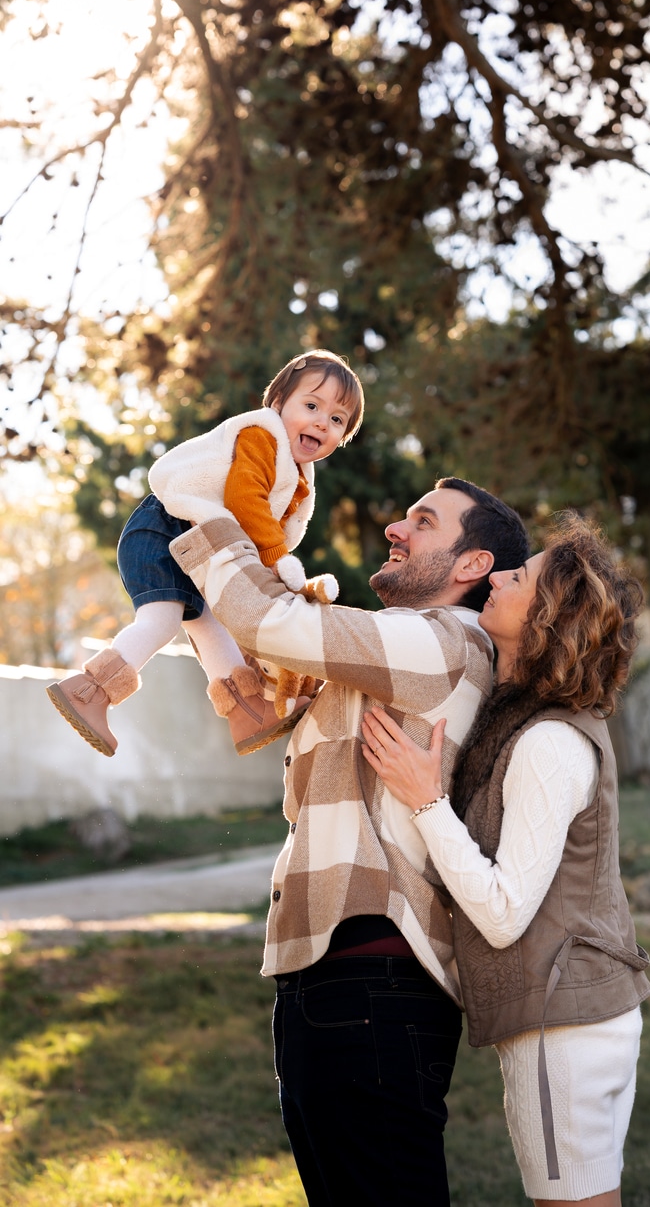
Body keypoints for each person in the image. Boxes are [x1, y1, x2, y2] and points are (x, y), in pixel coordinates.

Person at [166, 476, 530, 1207]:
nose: (396, 528)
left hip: (373, 986)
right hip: (328, 981)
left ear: (470, 566)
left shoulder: (444, 642)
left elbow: (269, 622)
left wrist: (199, 507)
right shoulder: (389, 655)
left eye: (423, 523)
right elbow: (269, 662)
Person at [361, 511, 650, 1206]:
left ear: (547, 616)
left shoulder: (549, 742)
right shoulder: (528, 718)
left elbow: (503, 913)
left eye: (519, 577)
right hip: (580, 1016)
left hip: (565, 1029)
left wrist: (424, 800)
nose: (499, 575)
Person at [46, 349, 364, 758]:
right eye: (311, 405)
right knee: (161, 620)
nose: (322, 421)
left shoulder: (299, 476)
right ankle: (89, 691)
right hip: (165, 529)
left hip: (197, 547)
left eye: (337, 420)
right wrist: (278, 562)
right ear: (279, 403)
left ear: (341, 438)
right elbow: (244, 499)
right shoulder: (260, 436)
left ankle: (246, 710)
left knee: (210, 625)